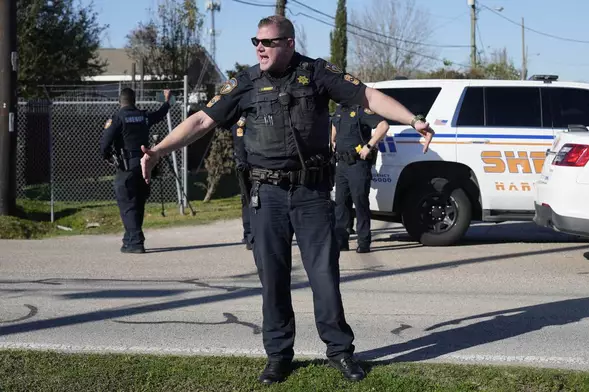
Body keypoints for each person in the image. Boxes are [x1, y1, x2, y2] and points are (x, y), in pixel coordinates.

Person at [139, 15, 434, 384]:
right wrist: (159, 150)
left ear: (289, 43)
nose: (259, 48)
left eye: (268, 42)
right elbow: (201, 121)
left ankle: (340, 352)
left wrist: (414, 119)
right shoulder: (245, 82)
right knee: (273, 279)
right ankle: (279, 356)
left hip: (311, 193)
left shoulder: (317, 73)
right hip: (267, 195)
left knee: (325, 276)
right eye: (255, 42)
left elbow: (369, 96)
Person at [100, 88, 172, 253]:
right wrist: (167, 102)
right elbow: (160, 114)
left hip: (126, 166)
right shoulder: (143, 116)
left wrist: (107, 157)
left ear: (120, 101)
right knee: (138, 203)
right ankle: (129, 239)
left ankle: (136, 242)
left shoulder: (117, 118)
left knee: (127, 204)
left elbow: (105, 142)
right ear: (134, 100)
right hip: (144, 165)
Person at [332, 104, 389, 253]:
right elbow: (334, 125)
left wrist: (369, 146)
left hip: (358, 164)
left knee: (360, 202)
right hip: (342, 164)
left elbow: (383, 126)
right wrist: (332, 140)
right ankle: (341, 241)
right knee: (341, 204)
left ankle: (363, 242)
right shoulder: (339, 110)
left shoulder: (361, 110)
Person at [232, 115, 253, 250]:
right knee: (246, 198)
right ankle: (249, 234)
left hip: (259, 161)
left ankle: (252, 233)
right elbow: (239, 140)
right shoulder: (240, 119)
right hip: (244, 163)